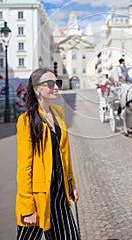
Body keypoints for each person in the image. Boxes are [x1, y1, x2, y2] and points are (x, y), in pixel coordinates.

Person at [16, 68, 80, 240]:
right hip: (38, 199)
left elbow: (65, 154)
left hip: (60, 195)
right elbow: (24, 167)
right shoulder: (26, 121)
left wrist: (71, 183)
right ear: (37, 89)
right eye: (50, 84)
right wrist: (28, 206)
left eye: (57, 83)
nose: (56, 87)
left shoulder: (58, 112)